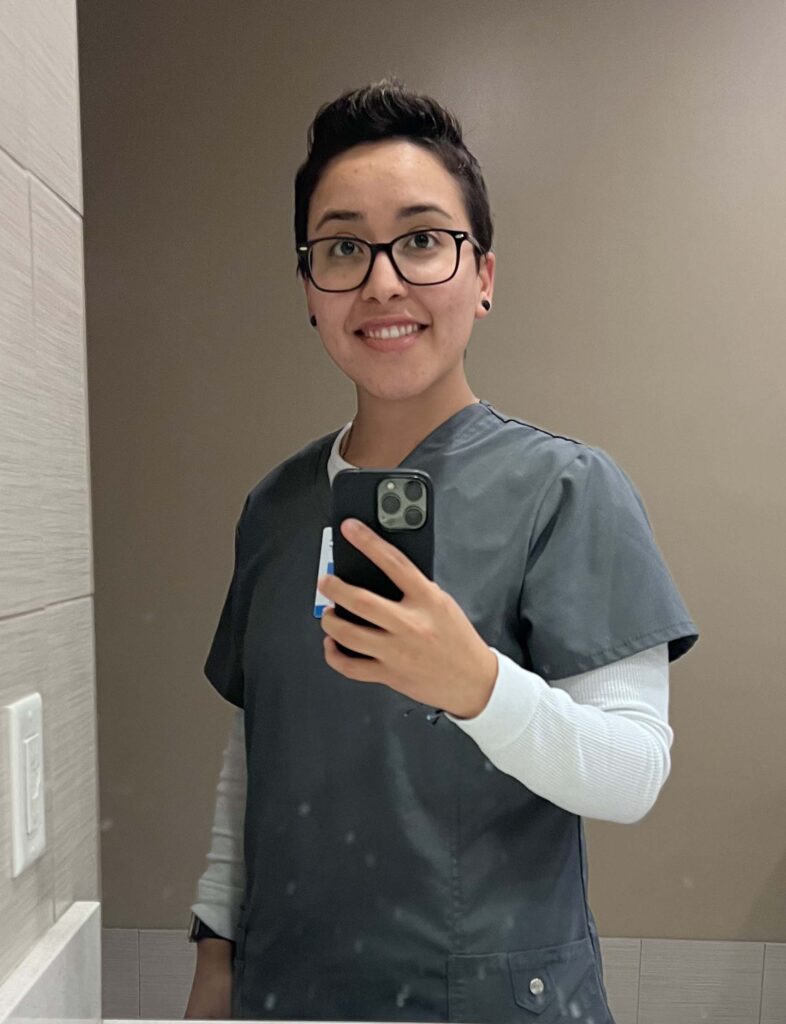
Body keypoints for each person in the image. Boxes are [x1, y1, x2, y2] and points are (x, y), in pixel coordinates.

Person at [184, 77, 699, 1022]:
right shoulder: (275, 509)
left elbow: (633, 772)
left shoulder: (568, 491)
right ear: (309, 289)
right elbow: (254, 755)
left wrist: (478, 685)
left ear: (483, 275)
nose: (382, 281)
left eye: (422, 240)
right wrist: (215, 957)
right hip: (287, 994)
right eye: (344, 247)